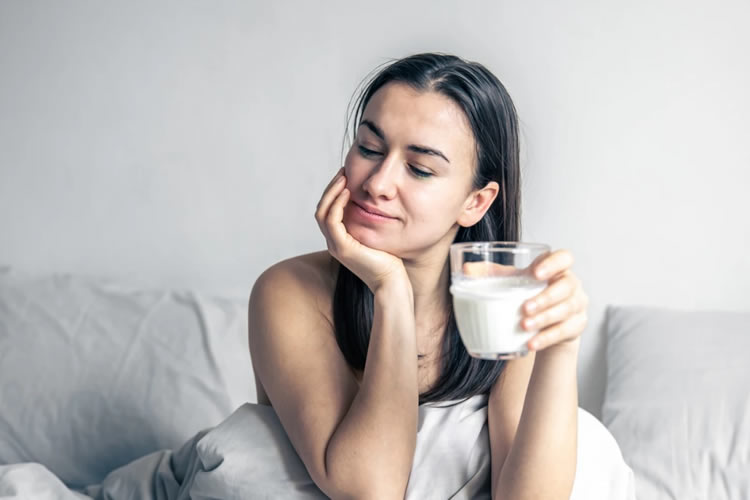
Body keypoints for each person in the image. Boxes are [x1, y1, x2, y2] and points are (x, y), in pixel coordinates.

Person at [248, 52, 589, 499]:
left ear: (476, 203)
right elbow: (369, 489)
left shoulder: (501, 300)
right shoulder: (289, 292)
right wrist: (391, 289)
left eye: (420, 169)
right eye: (369, 148)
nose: (378, 182)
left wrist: (561, 350)